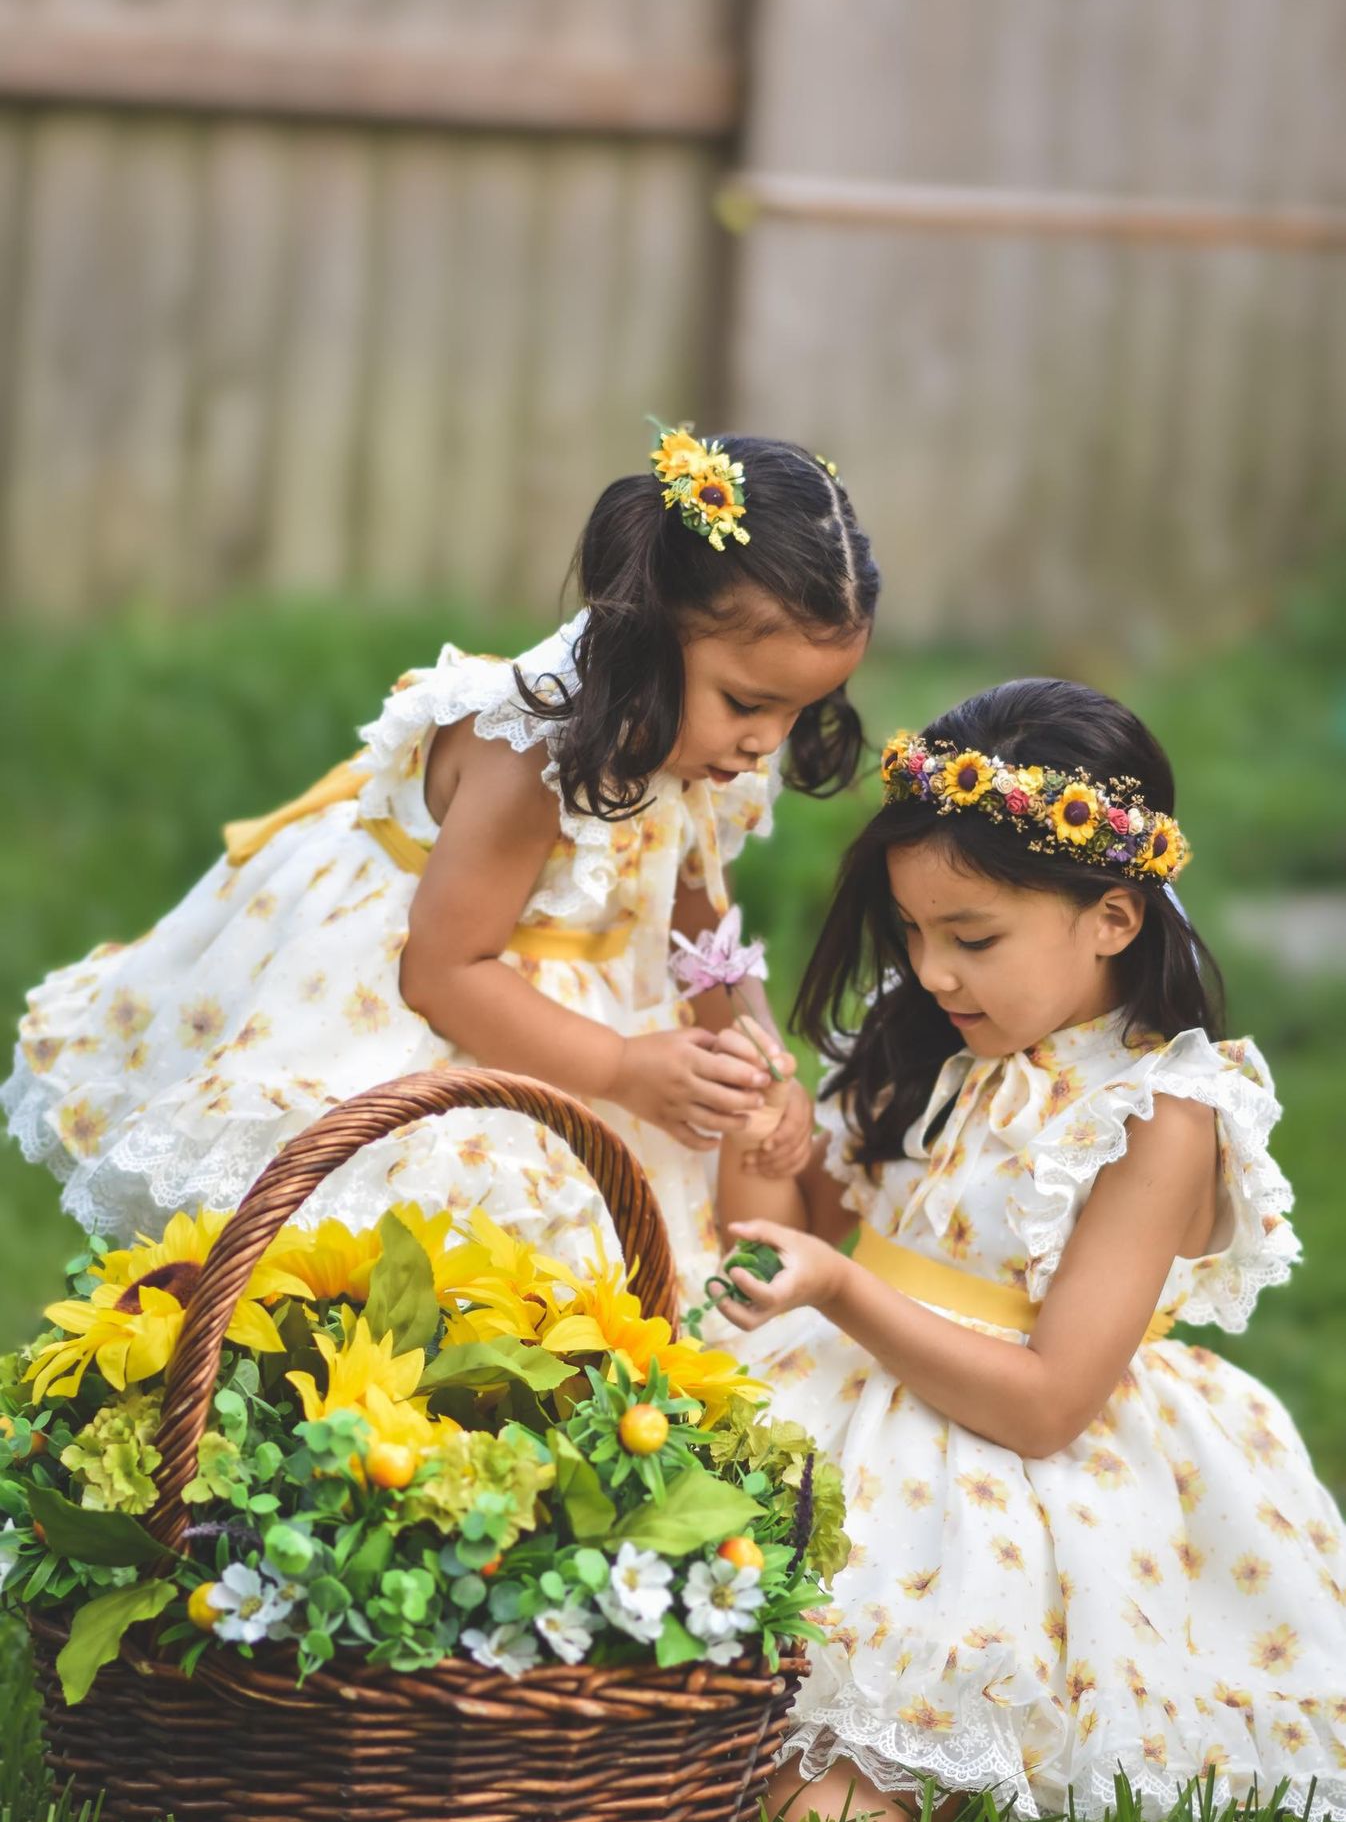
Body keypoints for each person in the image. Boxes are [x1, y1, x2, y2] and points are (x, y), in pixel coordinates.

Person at [2, 430, 876, 1299]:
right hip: (435, 998)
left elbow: (700, 931)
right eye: (749, 703)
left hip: (584, 1004)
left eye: (798, 712)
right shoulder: (534, 751)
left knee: (614, 1272)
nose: (767, 742)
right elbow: (444, 972)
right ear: (652, 634)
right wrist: (621, 1069)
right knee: (438, 1257)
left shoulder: (709, 751)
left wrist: (753, 1050)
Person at [714, 677, 1345, 1822]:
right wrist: (765, 1142)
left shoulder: (1155, 1111)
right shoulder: (928, 1033)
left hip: (1008, 1464)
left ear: (1111, 916)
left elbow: (1049, 1401)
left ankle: (950, 1755)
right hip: (838, 1393)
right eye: (909, 931)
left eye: (971, 938)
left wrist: (844, 1286)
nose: (931, 969)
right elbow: (790, 1228)